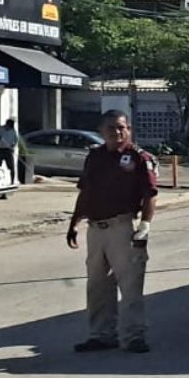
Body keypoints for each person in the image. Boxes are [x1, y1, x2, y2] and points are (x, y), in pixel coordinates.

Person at [67, 111, 158, 354]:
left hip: (123, 227)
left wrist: (145, 226)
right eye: (111, 128)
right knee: (97, 285)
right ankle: (101, 334)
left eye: (121, 128)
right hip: (96, 228)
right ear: (101, 130)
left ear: (129, 129)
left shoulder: (139, 158)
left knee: (130, 285)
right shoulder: (95, 157)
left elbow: (150, 195)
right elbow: (85, 191)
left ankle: (133, 336)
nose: (116, 132)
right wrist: (74, 222)